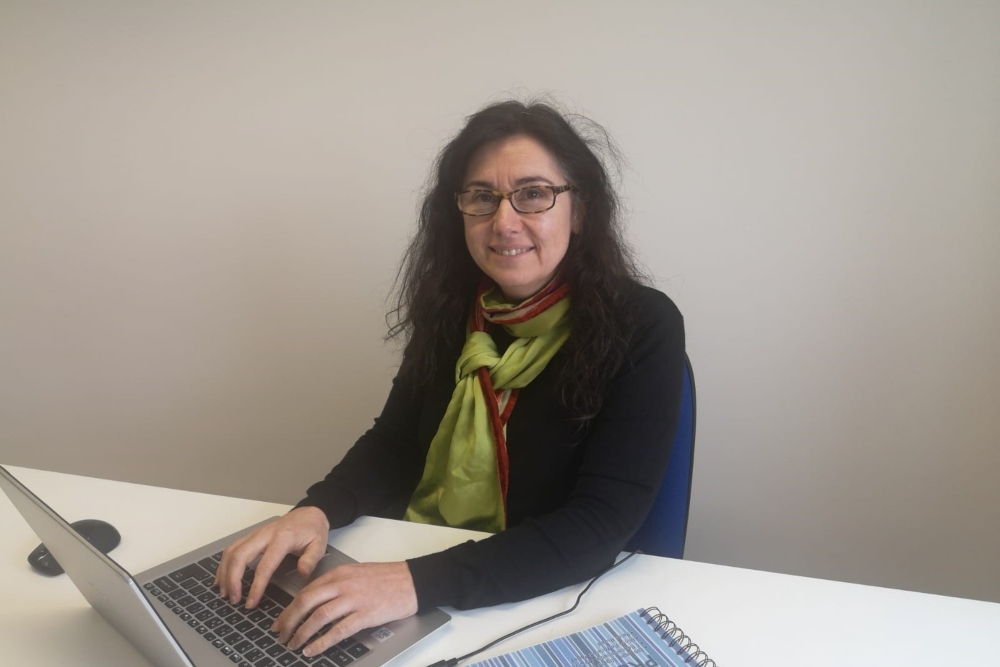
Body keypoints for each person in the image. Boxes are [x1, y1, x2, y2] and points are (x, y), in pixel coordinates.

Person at [214, 100, 686, 659]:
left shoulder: (641, 324)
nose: (504, 221)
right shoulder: (454, 309)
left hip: (544, 600)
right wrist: (314, 512)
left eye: (534, 193)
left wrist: (411, 584)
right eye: (482, 197)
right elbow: (395, 443)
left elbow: (598, 524)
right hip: (431, 569)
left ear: (579, 210)